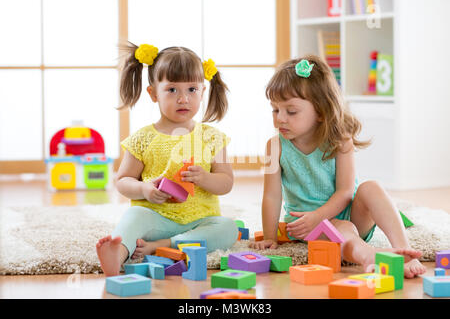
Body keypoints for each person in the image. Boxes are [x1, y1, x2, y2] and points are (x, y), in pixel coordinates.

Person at [249, 55, 426, 278]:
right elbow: (272, 196)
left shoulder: (340, 141)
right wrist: (269, 237)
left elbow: (345, 192)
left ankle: (406, 251)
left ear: (321, 112)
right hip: (307, 224)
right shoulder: (275, 147)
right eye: (275, 110)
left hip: (350, 214)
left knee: (371, 187)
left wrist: (320, 214)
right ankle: (368, 256)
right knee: (343, 230)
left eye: (291, 111)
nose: (280, 119)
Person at [96, 43, 238, 277]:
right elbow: (122, 181)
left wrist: (204, 178)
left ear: (203, 91)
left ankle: (164, 246)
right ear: (153, 93)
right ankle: (117, 254)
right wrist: (144, 188)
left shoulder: (211, 137)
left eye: (192, 89)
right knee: (133, 217)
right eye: (172, 90)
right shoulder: (143, 138)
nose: (183, 99)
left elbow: (226, 183)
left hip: (199, 222)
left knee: (227, 229)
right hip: (155, 219)